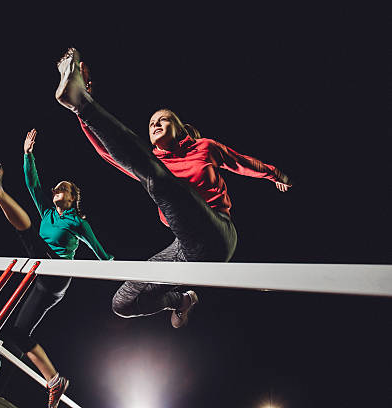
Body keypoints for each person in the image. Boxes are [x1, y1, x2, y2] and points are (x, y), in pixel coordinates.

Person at [55, 48, 292, 329]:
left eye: (162, 120)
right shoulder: (153, 162)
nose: (155, 124)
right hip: (182, 247)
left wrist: (275, 174)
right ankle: (181, 301)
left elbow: (241, 162)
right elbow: (109, 153)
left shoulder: (204, 148)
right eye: (151, 123)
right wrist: (84, 114)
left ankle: (82, 102)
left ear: (178, 127)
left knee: (162, 183)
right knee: (123, 303)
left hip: (217, 234)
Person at [0, 128, 113, 408]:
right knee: (17, 333)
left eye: (63, 189)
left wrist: (122, 272)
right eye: (56, 188)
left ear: (73, 198)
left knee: (29, 235)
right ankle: (55, 380)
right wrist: (28, 154)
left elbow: (101, 253)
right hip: (40, 274)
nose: (57, 190)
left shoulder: (77, 221)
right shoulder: (47, 212)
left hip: (57, 274)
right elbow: (33, 184)